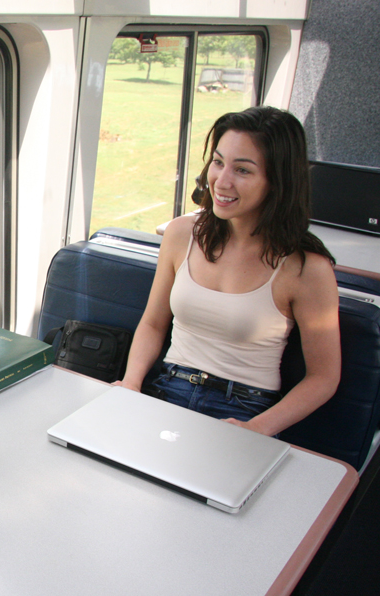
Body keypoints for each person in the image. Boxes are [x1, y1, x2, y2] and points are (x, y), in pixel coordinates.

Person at [120, 107, 341, 437]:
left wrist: (256, 428)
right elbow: (153, 323)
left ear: (278, 182)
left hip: (245, 408)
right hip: (166, 388)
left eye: (243, 170)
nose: (221, 181)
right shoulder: (181, 234)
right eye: (218, 162)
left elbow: (323, 377)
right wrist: (130, 384)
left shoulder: (306, 269)